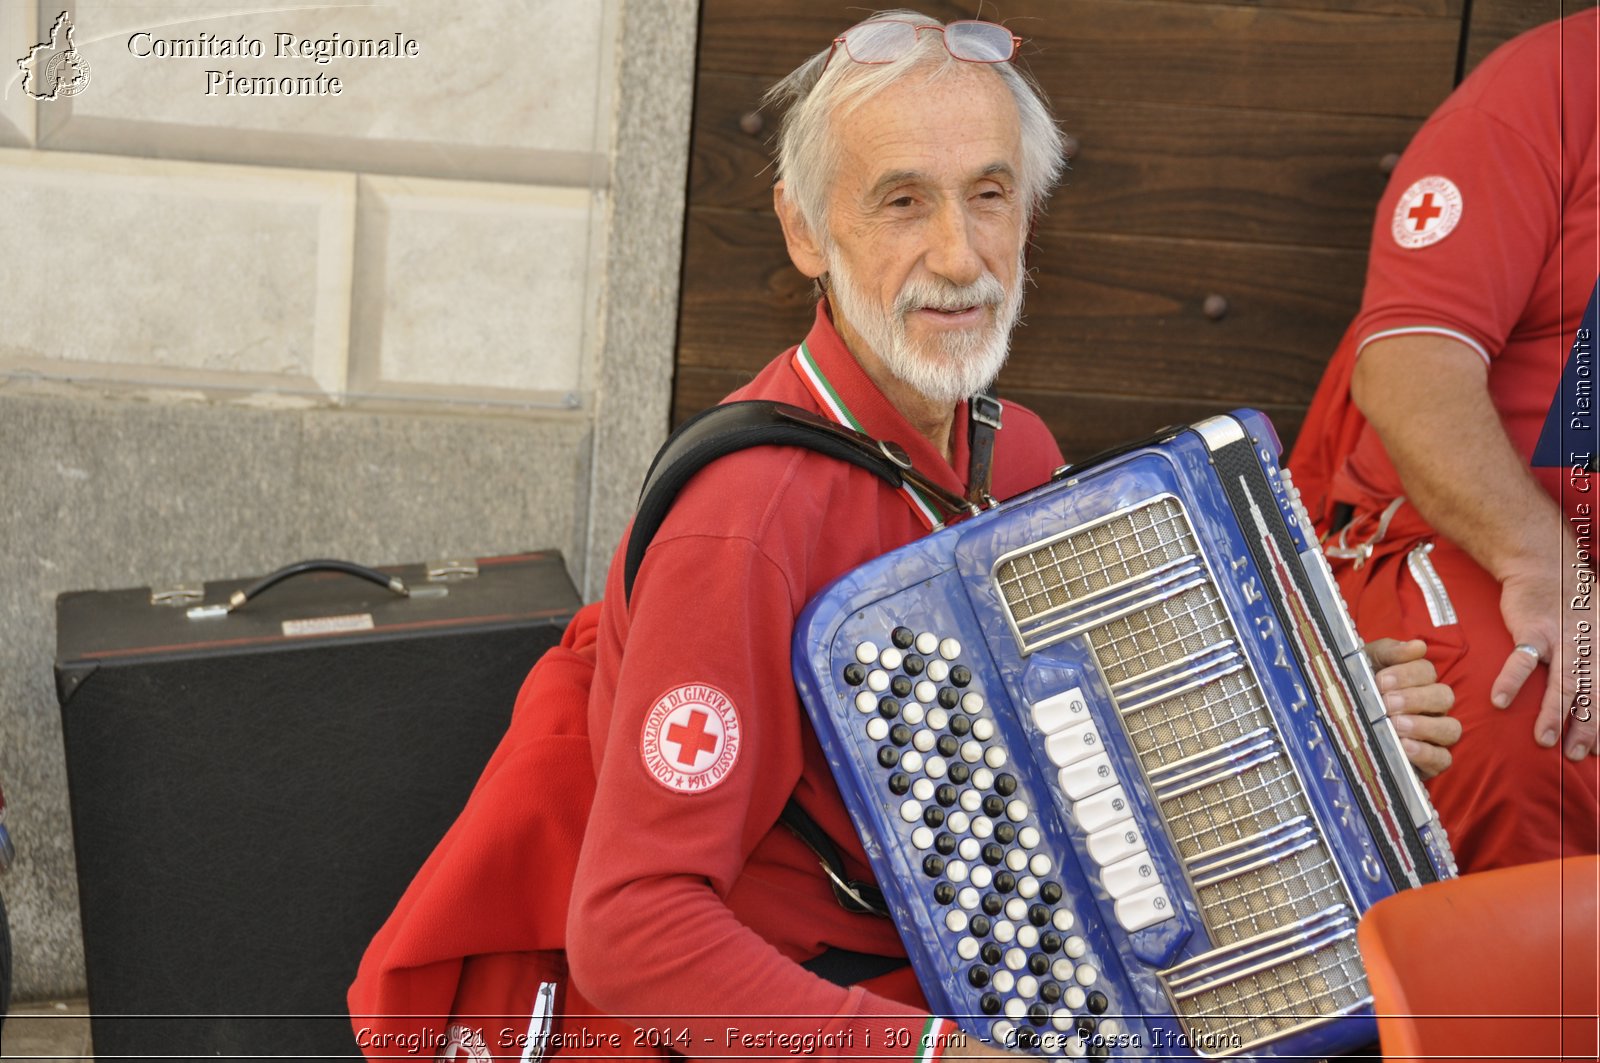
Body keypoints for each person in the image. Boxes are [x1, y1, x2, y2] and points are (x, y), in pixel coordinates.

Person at [567, 11, 1458, 1060]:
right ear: (805, 229)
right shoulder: (745, 521)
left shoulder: (1017, 450)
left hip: (1042, 989)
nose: (959, 254)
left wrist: (1322, 737)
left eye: (988, 195)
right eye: (903, 201)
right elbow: (630, 932)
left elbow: (1095, 768)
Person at [1289, 7, 1599, 872]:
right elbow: (1410, 371)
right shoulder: (1544, 96)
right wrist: (1552, 570)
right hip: (1473, 535)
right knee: (1526, 718)